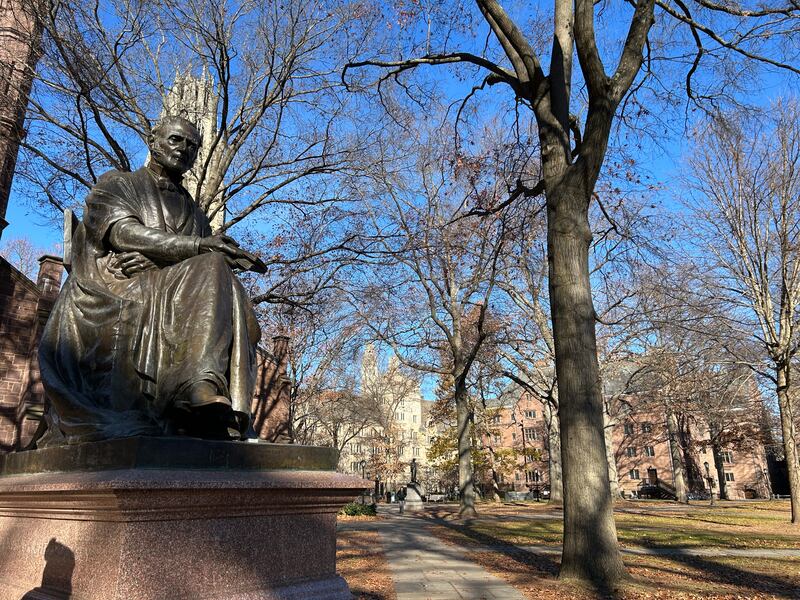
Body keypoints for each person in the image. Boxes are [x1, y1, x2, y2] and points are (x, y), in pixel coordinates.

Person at [37, 116, 263, 444]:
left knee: (228, 285)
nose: (184, 150)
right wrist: (194, 248)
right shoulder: (117, 184)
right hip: (115, 284)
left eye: (192, 146)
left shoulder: (197, 215)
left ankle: (204, 393)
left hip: (173, 293)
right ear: (153, 140)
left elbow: (197, 265)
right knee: (212, 263)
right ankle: (196, 386)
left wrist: (173, 257)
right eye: (176, 140)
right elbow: (122, 233)